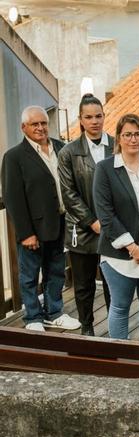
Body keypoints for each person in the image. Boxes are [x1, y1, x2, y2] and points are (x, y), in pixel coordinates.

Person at [1, 106, 81, 332]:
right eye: (34, 124)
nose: (40, 128)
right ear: (23, 127)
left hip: (60, 222)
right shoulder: (14, 157)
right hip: (33, 229)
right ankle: (33, 317)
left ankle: (54, 313)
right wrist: (26, 233)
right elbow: (13, 198)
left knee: (55, 270)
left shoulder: (61, 148)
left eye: (44, 123)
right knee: (29, 275)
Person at [92, 114, 139, 342]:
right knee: (120, 306)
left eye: (138, 134)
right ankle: (120, 360)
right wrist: (133, 248)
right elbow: (105, 214)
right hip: (119, 256)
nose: (133, 139)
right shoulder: (105, 168)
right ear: (119, 138)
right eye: (127, 134)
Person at [58, 94, 114, 336]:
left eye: (98, 116)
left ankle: (116, 328)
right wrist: (92, 221)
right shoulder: (69, 153)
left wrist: (111, 223)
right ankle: (88, 330)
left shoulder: (116, 145)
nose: (94, 121)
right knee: (83, 285)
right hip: (81, 231)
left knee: (114, 283)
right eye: (89, 117)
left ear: (104, 116)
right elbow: (68, 194)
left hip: (113, 228)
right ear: (80, 120)